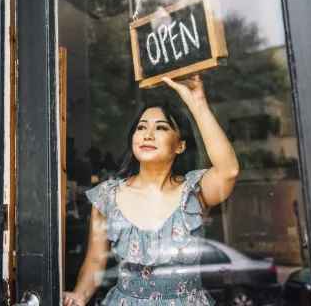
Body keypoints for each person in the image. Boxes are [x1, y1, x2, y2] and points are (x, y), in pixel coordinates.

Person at [63, 76, 239, 306]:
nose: (148, 134)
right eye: (141, 127)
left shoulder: (194, 191)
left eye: (161, 128)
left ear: (180, 145)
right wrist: (79, 295)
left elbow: (229, 171)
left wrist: (198, 102)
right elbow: (95, 260)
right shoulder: (107, 197)